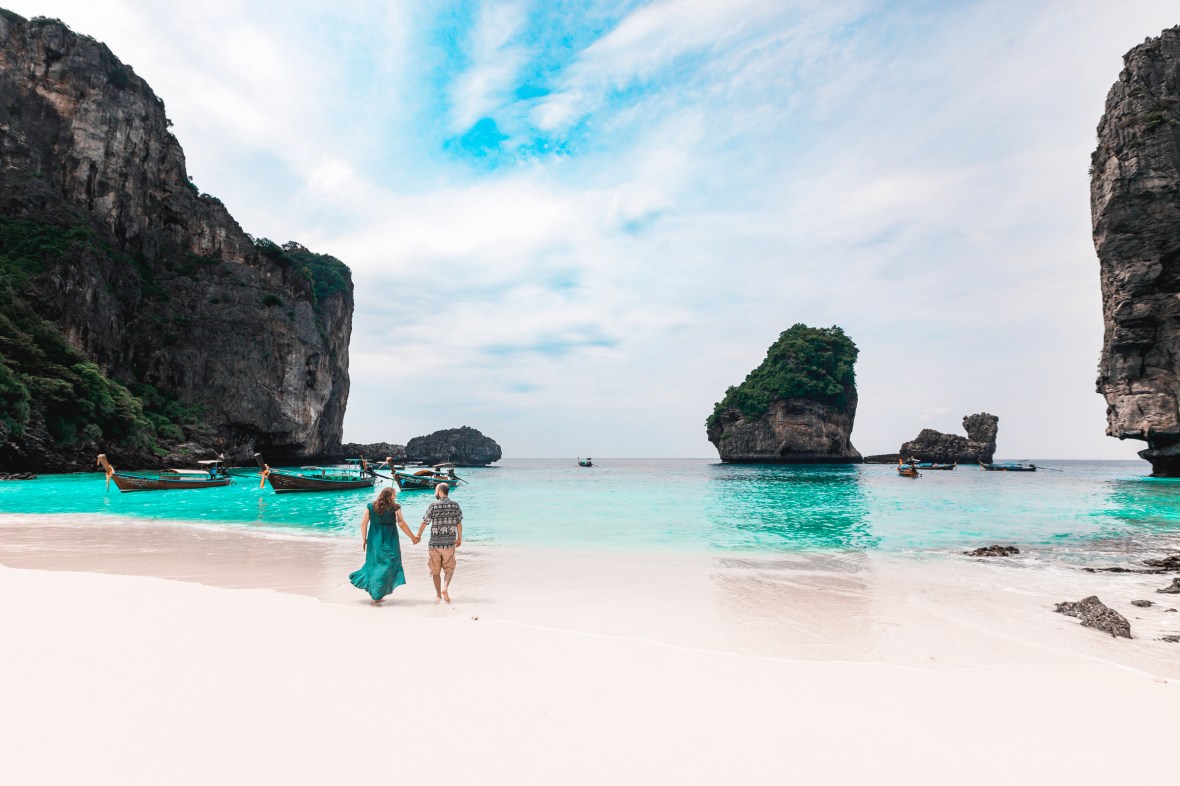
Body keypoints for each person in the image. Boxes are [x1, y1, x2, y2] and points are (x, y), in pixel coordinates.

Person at [349, 486, 418, 605]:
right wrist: (413, 537)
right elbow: (401, 523)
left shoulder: (371, 507)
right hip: (389, 539)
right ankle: (377, 594)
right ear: (390, 496)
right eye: (394, 494)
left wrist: (364, 538)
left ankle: (377, 593)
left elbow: (364, 523)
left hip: (374, 539)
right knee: (390, 563)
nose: (395, 496)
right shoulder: (395, 507)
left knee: (378, 564)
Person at [416, 483, 462, 603]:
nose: (434, 493)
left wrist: (418, 536)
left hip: (435, 544)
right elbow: (458, 523)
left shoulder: (433, 506)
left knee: (435, 571)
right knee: (449, 568)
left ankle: (438, 596)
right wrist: (459, 538)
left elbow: (425, 522)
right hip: (449, 543)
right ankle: (445, 588)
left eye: (435, 490)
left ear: (440, 492)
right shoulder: (455, 505)